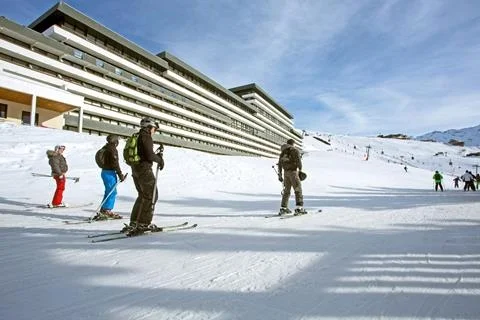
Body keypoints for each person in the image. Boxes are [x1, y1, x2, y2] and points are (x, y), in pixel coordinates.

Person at [126, 118, 164, 233]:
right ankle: (143, 223)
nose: (154, 131)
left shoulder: (137, 136)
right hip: (144, 170)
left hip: (135, 168)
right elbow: (149, 155)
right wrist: (160, 160)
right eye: (154, 129)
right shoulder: (146, 137)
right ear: (150, 128)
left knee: (142, 195)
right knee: (151, 196)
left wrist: (155, 156)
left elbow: (144, 153)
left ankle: (134, 222)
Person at [94, 134, 125, 220]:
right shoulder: (112, 149)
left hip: (105, 171)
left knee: (109, 191)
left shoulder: (106, 147)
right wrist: (120, 174)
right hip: (109, 173)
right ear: (115, 141)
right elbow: (115, 163)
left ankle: (104, 209)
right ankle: (107, 210)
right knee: (112, 191)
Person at [277, 138, 306, 215]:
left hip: (285, 173)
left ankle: (283, 208)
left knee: (286, 191)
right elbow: (299, 161)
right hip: (293, 172)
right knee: (298, 189)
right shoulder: (294, 150)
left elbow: (279, 164)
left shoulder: (282, 152)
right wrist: (300, 170)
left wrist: (280, 174)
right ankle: (299, 208)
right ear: (293, 144)